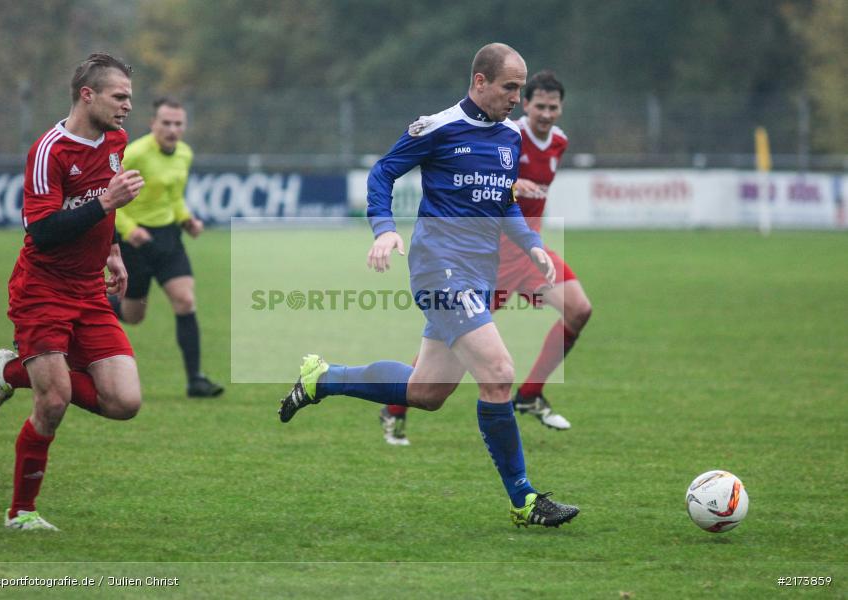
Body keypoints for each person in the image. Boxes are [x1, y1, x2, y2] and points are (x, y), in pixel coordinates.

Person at [278, 43, 579, 529]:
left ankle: (323, 378)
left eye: (521, 89)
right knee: (499, 372)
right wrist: (385, 228)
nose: (517, 99)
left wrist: (529, 243)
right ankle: (524, 499)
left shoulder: (509, 137)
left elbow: (502, 202)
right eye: (510, 87)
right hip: (439, 269)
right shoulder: (435, 128)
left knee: (428, 392)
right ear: (480, 82)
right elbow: (383, 173)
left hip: (479, 274)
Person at [0, 53, 145, 530]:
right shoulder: (48, 151)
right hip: (43, 289)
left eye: (130, 96)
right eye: (120, 96)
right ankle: (20, 513)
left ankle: (11, 368)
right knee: (53, 402)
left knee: (124, 403)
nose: (128, 105)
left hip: (90, 289)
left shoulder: (116, 139)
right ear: (87, 95)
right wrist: (108, 202)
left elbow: (100, 201)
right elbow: (43, 231)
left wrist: (113, 251)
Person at [380, 70, 591, 445]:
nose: (545, 113)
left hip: (530, 252)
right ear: (525, 105)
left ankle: (529, 395)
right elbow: (479, 179)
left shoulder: (559, 142)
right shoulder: (508, 132)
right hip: (489, 257)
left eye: (552, 107)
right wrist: (512, 187)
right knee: (451, 346)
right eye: (537, 105)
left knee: (579, 309)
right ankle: (395, 407)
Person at [108, 98, 223, 398]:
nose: (172, 129)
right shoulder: (134, 154)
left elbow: (173, 198)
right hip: (136, 244)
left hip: (169, 239)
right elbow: (109, 200)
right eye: (166, 123)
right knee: (134, 316)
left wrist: (187, 220)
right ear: (153, 124)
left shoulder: (184, 154)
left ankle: (195, 380)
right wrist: (131, 231)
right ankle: (91, 306)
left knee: (185, 300)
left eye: (178, 124)